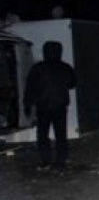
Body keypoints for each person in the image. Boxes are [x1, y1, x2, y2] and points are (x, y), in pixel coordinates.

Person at [23, 40, 77, 169]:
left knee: (42, 135)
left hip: (43, 105)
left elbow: (30, 87)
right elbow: (72, 84)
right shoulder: (65, 67)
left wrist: (27, 104)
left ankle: (46, 160)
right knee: (61, 135)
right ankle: (60, 161)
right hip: (60, 105)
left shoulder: (38, 68)